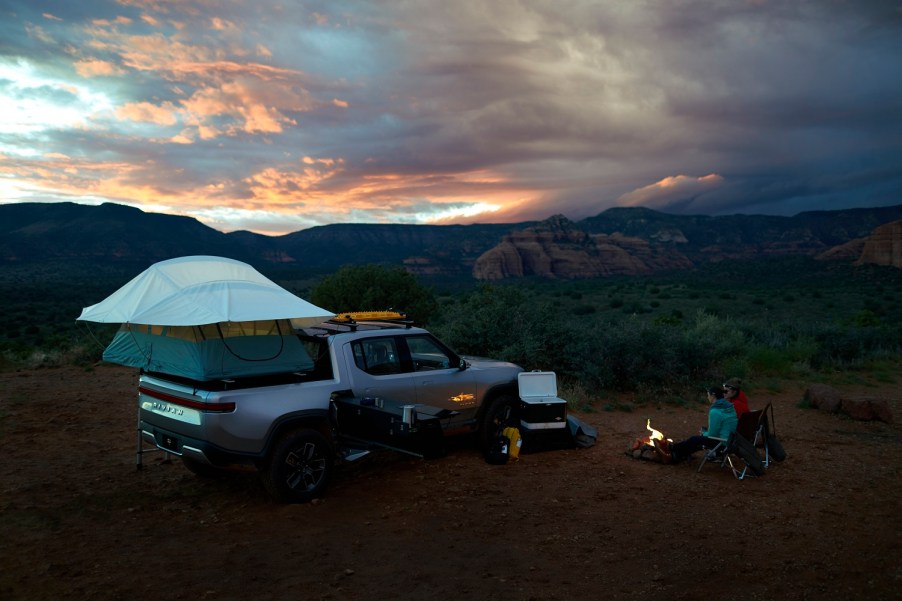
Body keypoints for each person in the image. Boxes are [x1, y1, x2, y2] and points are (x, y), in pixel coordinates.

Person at [653, 386, 738, 464]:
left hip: (722, 443)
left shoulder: (716, 411)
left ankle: (671, 448)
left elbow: (713, 434)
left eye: (708, 395)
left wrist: (704, 433)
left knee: (695, 439)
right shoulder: (729, 407)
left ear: (713, 396)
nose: (707, 397)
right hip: (730, 441)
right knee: (698, 441)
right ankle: (675, 454)